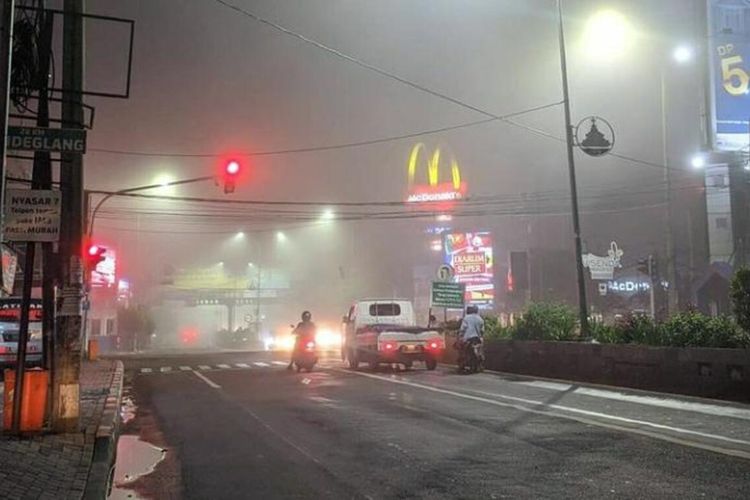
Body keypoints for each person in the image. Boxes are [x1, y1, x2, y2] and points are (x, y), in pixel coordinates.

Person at [457, 305, 484, 371]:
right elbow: (482, 331)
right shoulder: (480, 319)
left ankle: (462, 365)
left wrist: (460, 336)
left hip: (467, 338)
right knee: (480, 351)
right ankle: (479, 364)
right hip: (477, 339)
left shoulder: (466, 318)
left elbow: (463, 329)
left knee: (461, 350)